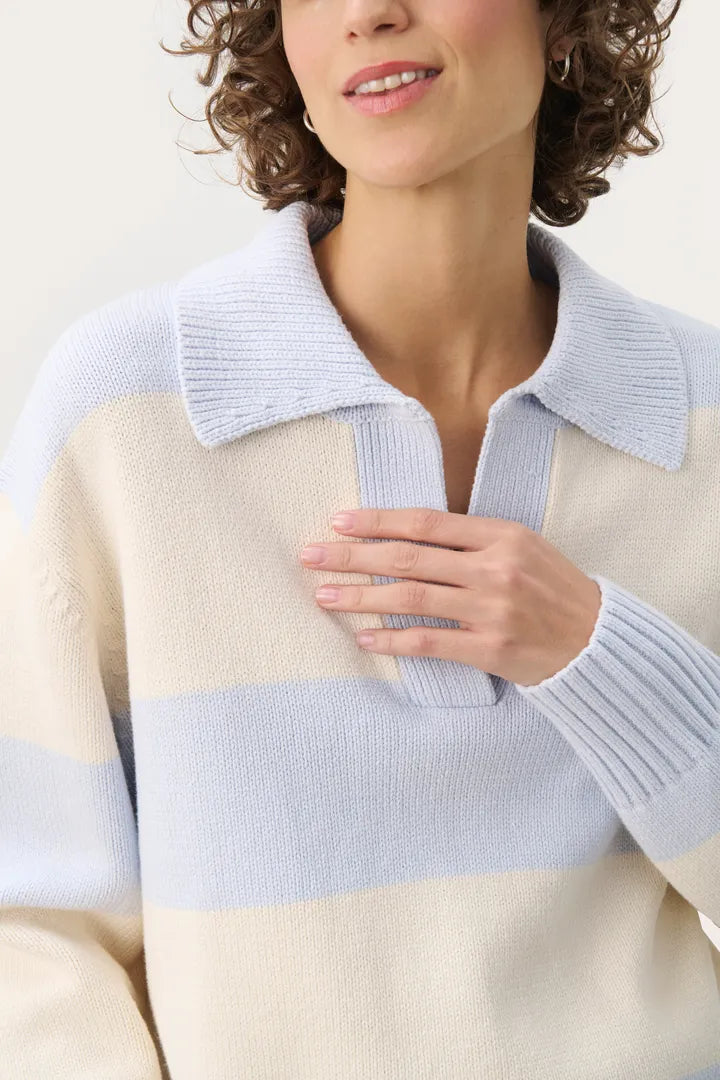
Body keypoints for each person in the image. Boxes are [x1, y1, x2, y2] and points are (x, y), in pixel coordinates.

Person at [3, 0, 719, 1077]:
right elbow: (30, 934)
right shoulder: (128, 412)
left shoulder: (700, 418)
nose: (371, 13)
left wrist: (598, 652)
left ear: (561, 19)